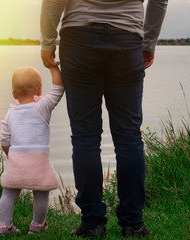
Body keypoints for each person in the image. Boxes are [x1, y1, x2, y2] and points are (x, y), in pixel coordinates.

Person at [40, 0, 168, 239]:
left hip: (79, 39)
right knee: (129, 137)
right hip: (127, 39)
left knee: (85, 137)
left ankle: (92, 224)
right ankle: (132, 224)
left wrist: (47, 42)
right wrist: (148, 42)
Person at [0, 66, 64, 234]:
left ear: (14, 93)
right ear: (39, 90)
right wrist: (54, 67)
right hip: (39, 163)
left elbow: (4, 139)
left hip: (16, 161)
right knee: (41, 193)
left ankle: (4, 225)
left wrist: (12, 156)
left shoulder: (10, 113)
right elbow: (58, 89)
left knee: (8, 193)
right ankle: (37, 226)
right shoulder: (42, 107)